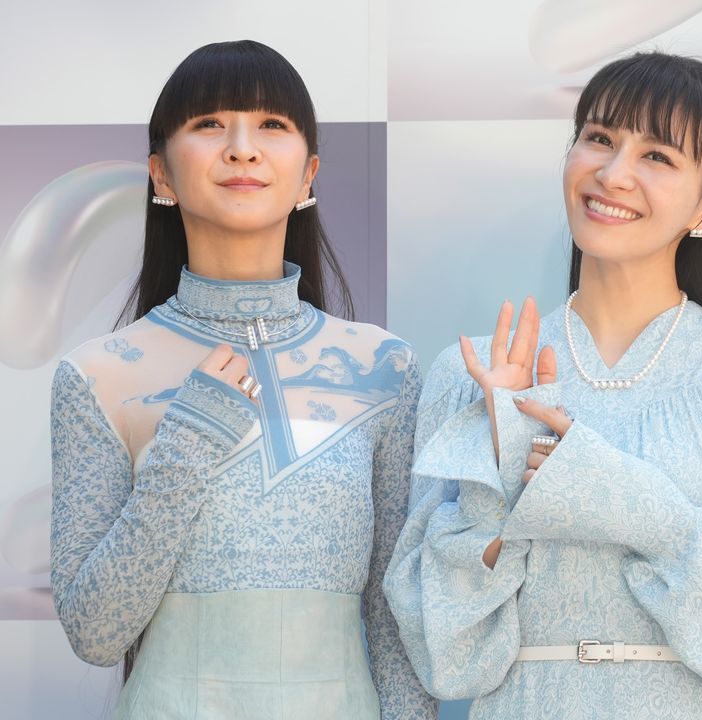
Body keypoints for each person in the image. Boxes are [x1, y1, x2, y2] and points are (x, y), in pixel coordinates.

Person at [385, 52, 702, 719]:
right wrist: (494, 482)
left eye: (657, 156)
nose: (614, 174)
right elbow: (444, 658)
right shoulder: (473, 374)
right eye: (599, 138)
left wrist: (631, 505)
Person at [49, 40, 432, 719]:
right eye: (209, 124)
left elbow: (395, 620)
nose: (242, 149)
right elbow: (96, 633)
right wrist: (186, 443)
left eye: (271, 125)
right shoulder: (97, 375)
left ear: (309, 174)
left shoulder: (386, 368)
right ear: (161, 175)